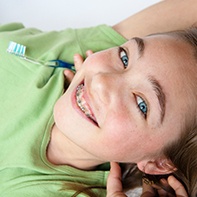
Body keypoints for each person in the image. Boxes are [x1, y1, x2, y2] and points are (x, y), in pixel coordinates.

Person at [0, 1, 197, 197]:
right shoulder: (77, 53)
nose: (101, 82)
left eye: (141, 104)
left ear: (159, 163)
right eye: (125, 58)